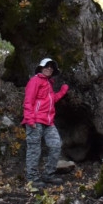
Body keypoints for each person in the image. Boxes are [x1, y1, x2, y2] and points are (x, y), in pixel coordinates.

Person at [22, 58, 69, 188]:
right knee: (34, 149)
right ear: (40, 68)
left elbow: (51, 100)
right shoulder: (34, 81)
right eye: (46, 66)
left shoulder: (49, 83)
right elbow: (28, 101)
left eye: (51, 67)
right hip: (35, 120)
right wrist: (30, 119)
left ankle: (49, 174)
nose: (49, 68)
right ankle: (32, 178)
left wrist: (63, 91)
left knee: (56, 145)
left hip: (48, 121)